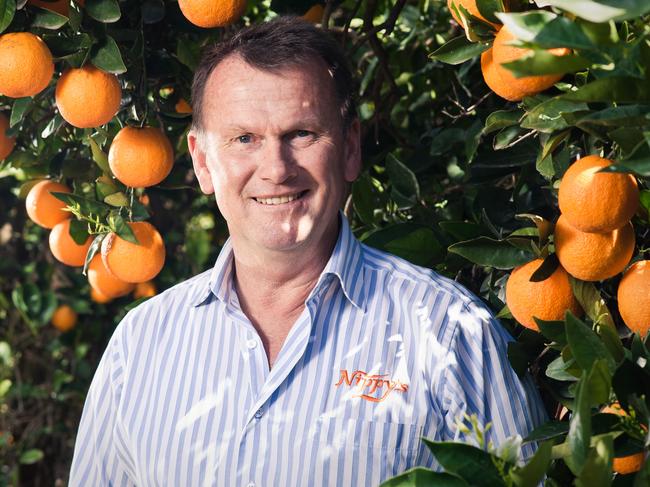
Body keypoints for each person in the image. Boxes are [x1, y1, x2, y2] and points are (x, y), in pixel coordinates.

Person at [69, 17, 546, 486]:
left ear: (350, 149)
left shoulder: (452, 332)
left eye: (301, 134)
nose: (275, 169)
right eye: (244, 139)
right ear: (201, 161)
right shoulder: (140, 345)